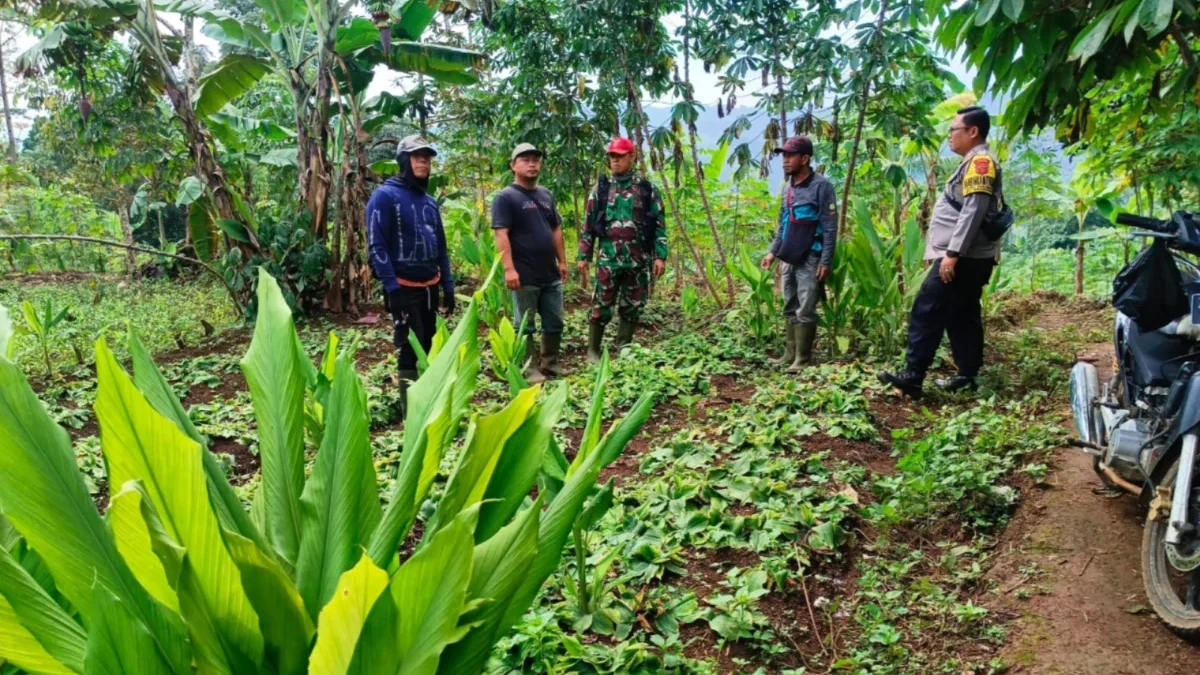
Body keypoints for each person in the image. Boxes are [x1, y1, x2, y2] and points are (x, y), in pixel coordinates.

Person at [879, 106, 1004, 398]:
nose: (949, 135)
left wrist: (952, 253)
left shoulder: (981, 162)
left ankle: (913, 374)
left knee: (927, 307)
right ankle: (967, 376)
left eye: (954, 130)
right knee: (963, 314)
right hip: (970, 256)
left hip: (964, 256)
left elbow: (973, 211)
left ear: (973, 132)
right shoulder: (973, 161)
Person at [366, 135, 455, 409]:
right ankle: (408, 408)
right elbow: (376, 244)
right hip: (403, 285)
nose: (423, 162)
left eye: (427, 158)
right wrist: (392, 289)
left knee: (427, 342)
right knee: (409, 344)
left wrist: (448, 285)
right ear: (404, 161)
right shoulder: (385, 196)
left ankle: (423, 399)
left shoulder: (429, 202)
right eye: (417, 157)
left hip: (430, 284)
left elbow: (440, 246)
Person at [577, 137, 668, 362]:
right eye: (612, 157)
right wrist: (583, 256)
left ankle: (623, 348)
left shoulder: (647, 189)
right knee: (601, 305)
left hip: (638, 261)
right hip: (608, 260)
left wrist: (661, 256)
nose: (615, 161)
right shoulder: (602, 189)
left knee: (632, 307)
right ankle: (593, 351)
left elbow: (659, 224)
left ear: (632, 156)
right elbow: (588, 224)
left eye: (620, 156)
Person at [760, 135, 838, 372]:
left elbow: (830, 225)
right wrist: (773, 253)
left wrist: (825, 260)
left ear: (804, 158)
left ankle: (802, 359)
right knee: (789, 303)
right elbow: (782, 225)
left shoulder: (822, 186)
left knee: (806, 306)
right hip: (789, 255)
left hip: (811, 256)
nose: (785, 160)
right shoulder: (787, 189)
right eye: (784, 156)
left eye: (790, 156)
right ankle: (790, 354)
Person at [492, 143, 568, 384]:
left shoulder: (545, 195)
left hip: (550, 272)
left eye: (535, 159)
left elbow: (555, 229)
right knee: (525, 324)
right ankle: (529, 367)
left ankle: (551, 362)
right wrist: (509, 269)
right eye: (525, 159)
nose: (532, 163)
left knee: (554, 320)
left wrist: (563, 261)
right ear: (513, 165)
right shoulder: (506, 197)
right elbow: (501, 234)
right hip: (524, 274)